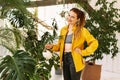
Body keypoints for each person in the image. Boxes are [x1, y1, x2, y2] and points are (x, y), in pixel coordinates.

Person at [45, 8, 98, 80]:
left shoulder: (82, 30)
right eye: (69, 15)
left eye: (72, 17)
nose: (69, 18)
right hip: (65, 58)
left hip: (75, 60)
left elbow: (94, 43)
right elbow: (59, 47)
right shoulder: (63, 30)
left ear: (78, 19)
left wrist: (83, 52)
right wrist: (52, 47)